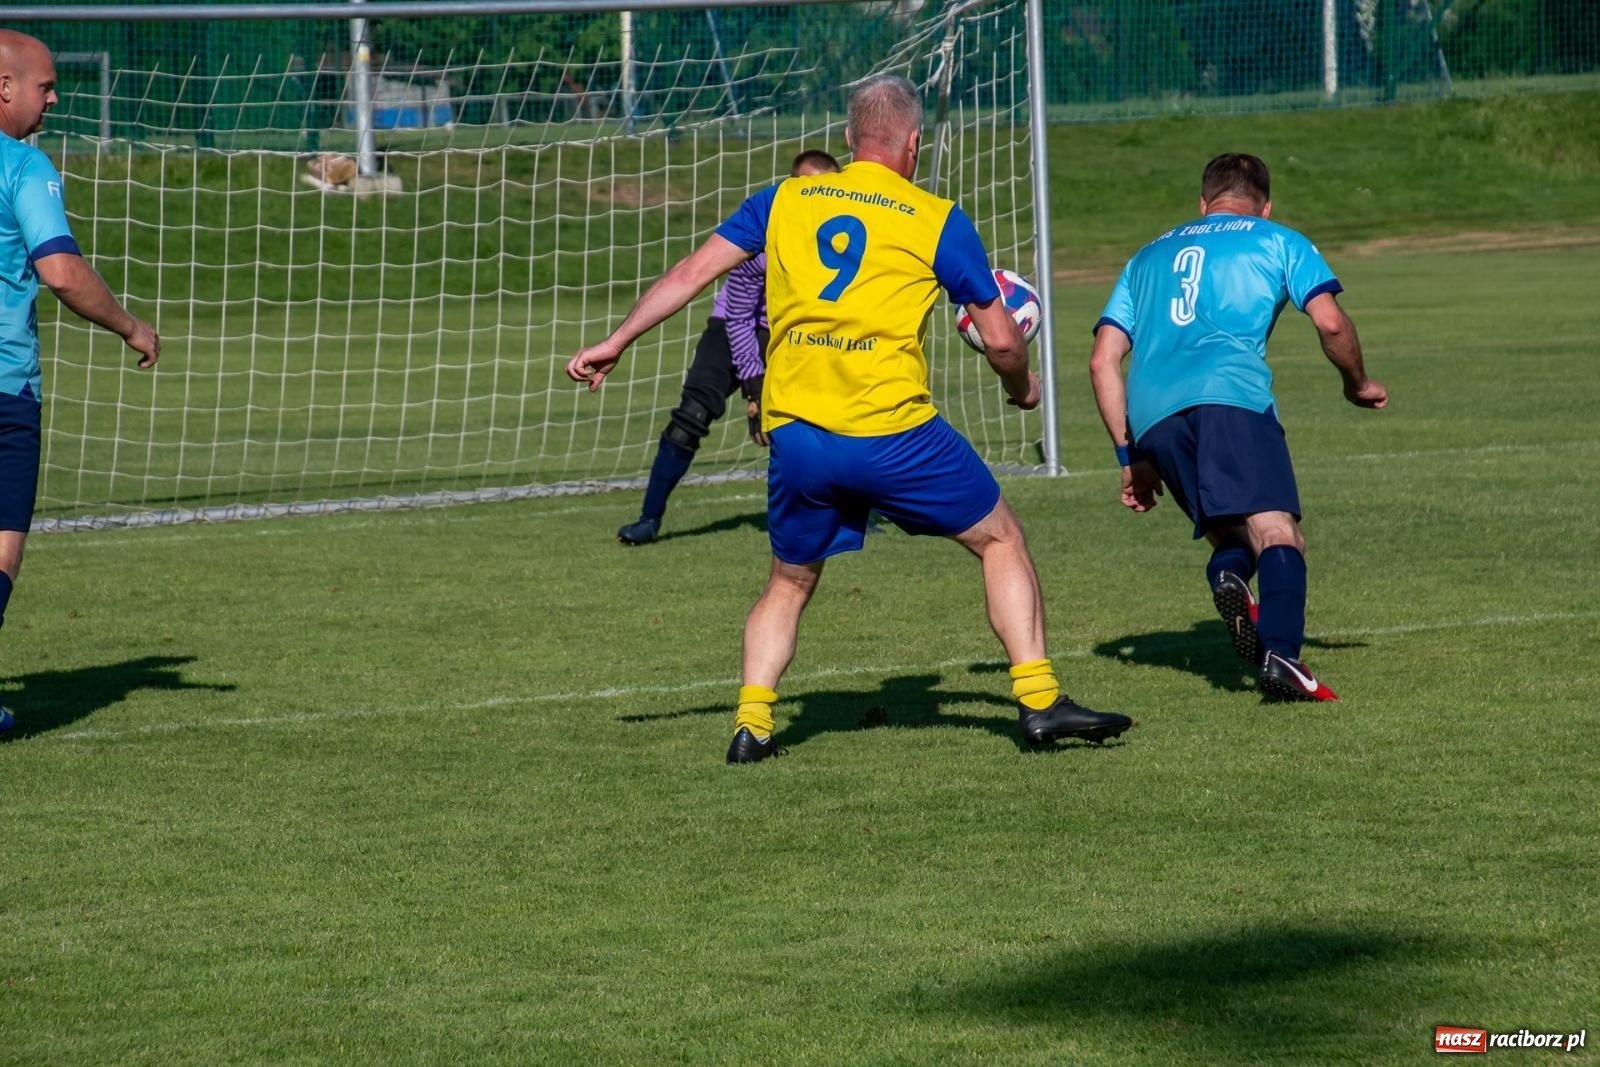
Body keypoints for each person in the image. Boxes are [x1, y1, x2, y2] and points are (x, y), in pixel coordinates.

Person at [569, 74, 1133, 762]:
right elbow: (1008, 340)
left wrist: (616, 341)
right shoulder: (935, 218)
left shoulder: (785, 198)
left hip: (799, 434)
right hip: (893, 431)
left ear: (847, 139)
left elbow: (692, 272)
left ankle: (752, 724)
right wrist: (1020, 386)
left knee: (789, 579)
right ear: (914, 144)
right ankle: (1041, 701)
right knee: (1000, 539)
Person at [1088, 152, 1386, 702]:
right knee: (1278, 531)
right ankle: (1283, 658)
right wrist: (1357, 383)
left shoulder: (1146, 256)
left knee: (1233, 534)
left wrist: (1130, 458)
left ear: (1203, 204)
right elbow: (1330, 321)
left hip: (1152, 412)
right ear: (1265, 207)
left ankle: (1229, 576)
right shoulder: (1278, 239)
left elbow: (1103, 360)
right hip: (1230, 396)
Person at [0, 31, 161, 733]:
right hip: (4, 390)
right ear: (4, 87)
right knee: (2, 547)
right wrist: (131, 326)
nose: (55, 97)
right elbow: (60, 270)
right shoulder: (23, 167)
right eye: (46, 85)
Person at [617, 150, 840, 546]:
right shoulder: (762, 237)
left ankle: (843, 517)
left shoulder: (843, 242)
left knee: (824, 424)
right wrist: (755, 389)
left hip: (791, 334)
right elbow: (738, 316)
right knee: (691, 415)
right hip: (732, 327)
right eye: (807, 188)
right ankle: (649, 518)